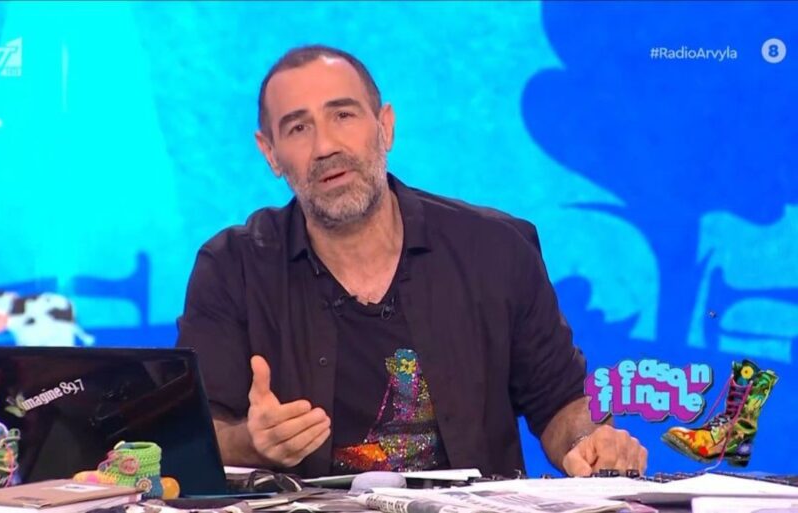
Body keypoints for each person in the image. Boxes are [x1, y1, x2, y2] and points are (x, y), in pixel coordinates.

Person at [176, 45, 647, 478]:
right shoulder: (232, 268)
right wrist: (252, 442)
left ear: (385, 126)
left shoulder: (496, 249)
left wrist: (590, 443)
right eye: (298, 128)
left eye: (343, 115)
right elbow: (196, 433)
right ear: (270, 153)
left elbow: (560, 402)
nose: (325, 147)